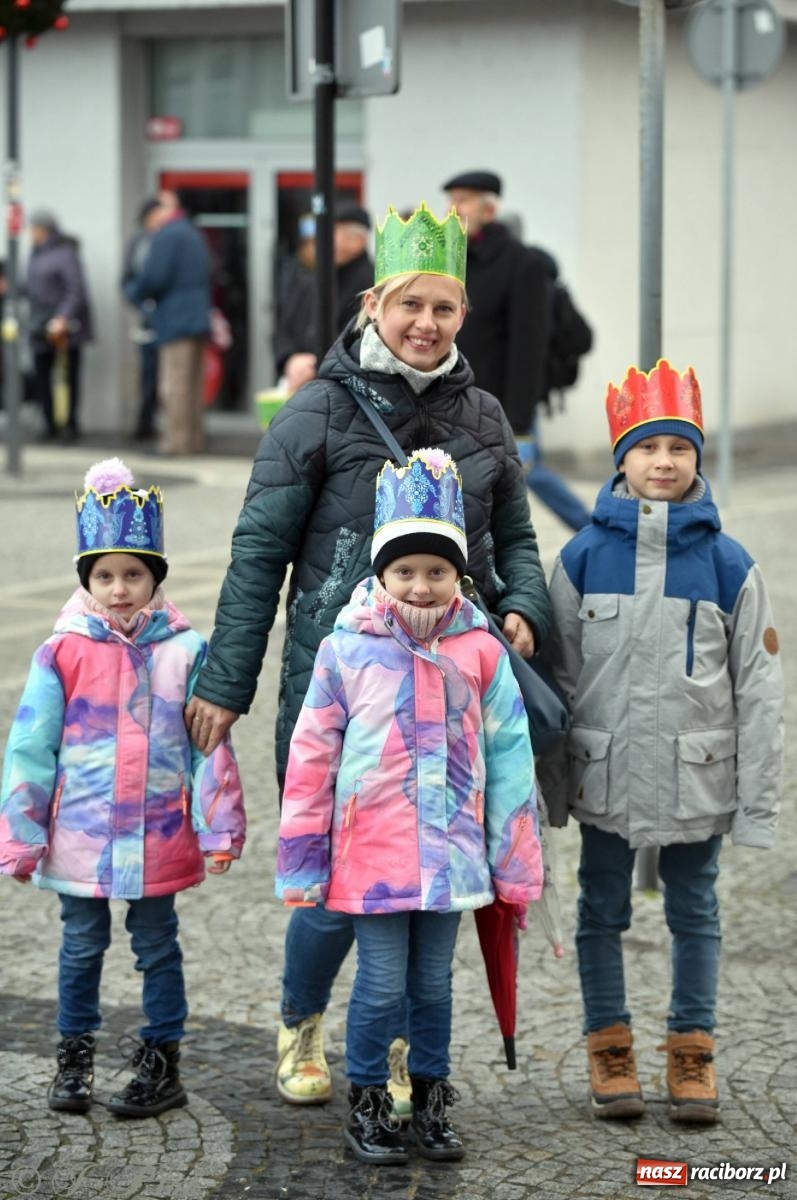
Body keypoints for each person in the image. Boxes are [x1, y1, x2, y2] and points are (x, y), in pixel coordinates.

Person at [185, 201, 552, 1110]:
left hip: (448, 696)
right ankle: (301, 1016)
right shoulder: (315, 410)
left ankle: (391, 1055)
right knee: (343, 889)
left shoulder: (485, 416)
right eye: (408, 306)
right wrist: (227, 682)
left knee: (421, 886)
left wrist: (520, 609)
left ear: (463, 313)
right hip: (336, 690)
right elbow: (256, 554)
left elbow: (514, 539)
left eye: (444, 308)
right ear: (372, 303)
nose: (425, 324)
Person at [276, 448, 544, 1164]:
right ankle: (370, 1101)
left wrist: (512, 864)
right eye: (404, 571)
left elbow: (511, 759)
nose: (420, 586)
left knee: (433, 986)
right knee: (379, 985)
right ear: (379, 573)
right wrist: (303, 863)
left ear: (458, 575)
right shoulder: (345, 651)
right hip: (372, 859)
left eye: (436, 571)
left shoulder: (480, 652)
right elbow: (310, 762)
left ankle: (428, 1099)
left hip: (451, 859)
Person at [536, 359, 783, 1124]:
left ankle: (691, 1050)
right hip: (605, 777)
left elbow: (758, 691)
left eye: (679, 449)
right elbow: (557, 681)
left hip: (695, 778)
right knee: (599, 909)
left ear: (697, 459)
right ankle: (608, 1048)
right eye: (647, 449)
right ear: (621, 461)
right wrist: (549, 795)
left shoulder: (727, 563)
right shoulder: (579, 559)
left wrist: (757, 805)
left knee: (694, 912)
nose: (664, 463)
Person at [0, 457, 246, 1118]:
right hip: (80, 835)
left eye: (133, 574)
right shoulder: (62, 652)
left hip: (160, 833)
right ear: (86, 580)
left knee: (157, 947)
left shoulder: (185, 652)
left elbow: (208, 747)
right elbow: (31, 748)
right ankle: (73, 1058)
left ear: (153, 578)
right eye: (104, 575)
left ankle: (162, 1060)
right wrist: (19, 837)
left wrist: (218, 826)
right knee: (80, 947)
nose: (118, 589)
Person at [442, 171, 591, 531]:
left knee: (525, 473)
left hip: (500, 403)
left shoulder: (522, 263)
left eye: (462, 199)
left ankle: (593, 530)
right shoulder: (451, 260)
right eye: (450, 199)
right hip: (455, 398)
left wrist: (520, 423)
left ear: (489, 209)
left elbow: (529, 349)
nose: (452, 208)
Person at [125, 190, 211, 455]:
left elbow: (154, 277)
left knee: (173, 386)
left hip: (174, 320)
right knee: (193, 386)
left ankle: (175, 444)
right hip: (197, 318)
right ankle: (194, 441)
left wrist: (134, 292)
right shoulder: (194, 233)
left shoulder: (167, 235)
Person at [273, 201, 375, 394]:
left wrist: (316, 364)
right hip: (299, 383)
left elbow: (363, 341)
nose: (322, 241)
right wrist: (289, 359)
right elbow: (284, 327)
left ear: (359, 239)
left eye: (334, 233)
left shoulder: (371, 285)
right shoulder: (313, 278)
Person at [25, 210, 93, 444]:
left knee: (68, 377)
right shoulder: (36, 254)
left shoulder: (65, 254)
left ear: (44, 229)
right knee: (42, 375)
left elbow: (75, 291)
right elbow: (35, 288)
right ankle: (49, 423)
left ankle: (69, 425)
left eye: (32, 228)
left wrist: (62, 318)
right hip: (40, 326)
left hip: (65, 329)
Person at [121, 197, 163, 440]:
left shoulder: (167, 240)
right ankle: (145, 422)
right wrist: (141, 303)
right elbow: (127, 279)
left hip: (167, 317)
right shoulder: (138, 243)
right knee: (148, 372)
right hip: (147, 320)